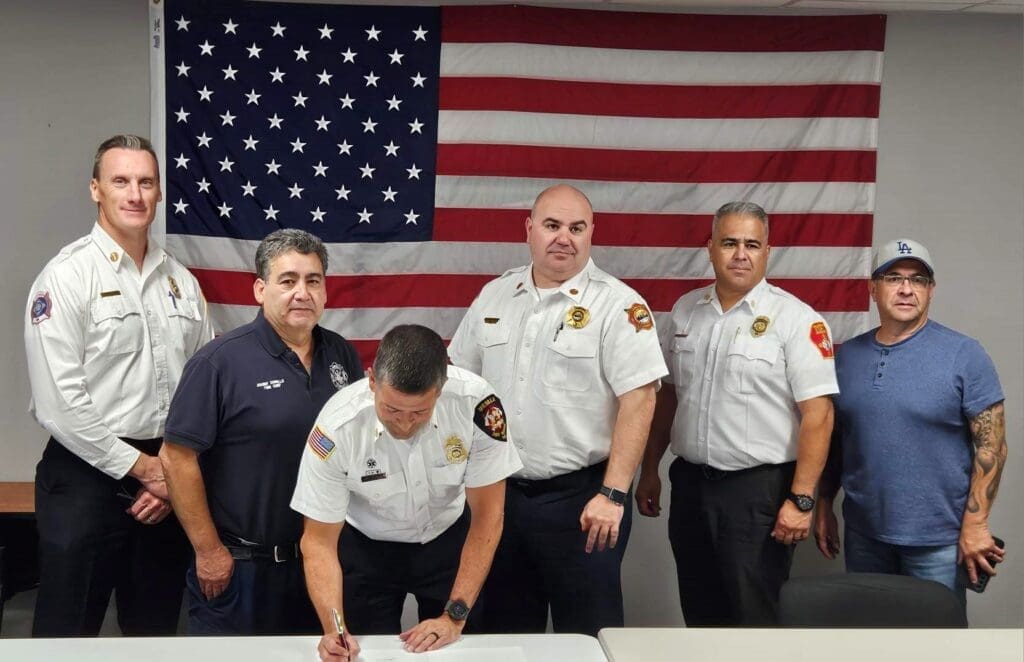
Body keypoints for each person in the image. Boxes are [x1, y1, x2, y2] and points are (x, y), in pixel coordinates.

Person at [448, 184, 667, 636]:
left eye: (576, 227)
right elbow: (458, 387)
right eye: (551, 226)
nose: (563, 237)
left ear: (591, 234)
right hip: (498, 499)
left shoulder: (619, 305)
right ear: (529, 230)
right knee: (502, 637)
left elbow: (640, 401)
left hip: (584, 502)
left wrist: (612, 495)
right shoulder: (494, 296)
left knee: (588, 635)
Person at [25, 134, 214, 636]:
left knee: (153, 629)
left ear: (158, 193)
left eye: (146, 182)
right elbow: (59, 403)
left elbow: (205, 390)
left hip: (168, 471)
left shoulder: (182, 282)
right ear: (96, 189)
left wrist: (172, 476)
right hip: (86, 473)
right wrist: (148, 469)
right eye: (121, 181)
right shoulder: (66, 277)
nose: (135, 194)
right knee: (67, 633)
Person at [636, 201, 838, 626]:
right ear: (710, 248)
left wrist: (801, 499)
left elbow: (818, 415)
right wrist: (650, 468)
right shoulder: (685, 311)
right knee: (700, 609)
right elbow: (669, 398)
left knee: (754, 619)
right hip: (691, 486)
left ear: (768, 251)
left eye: (752, 244)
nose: (740, 254)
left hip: (759, 494)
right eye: (729, 243)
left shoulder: (796, 320)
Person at [159, 228, 363, 635]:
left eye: (313, 280)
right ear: (259, 289)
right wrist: (208, 551)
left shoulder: (341, 354)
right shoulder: (219, 363)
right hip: (241, 568)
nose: (301, 292)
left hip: (322, 564)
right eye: (288, 281)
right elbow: (176, 458)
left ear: (325, 291)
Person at [292, 324, 521, 660]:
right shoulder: (337, 427)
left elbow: (488, 518)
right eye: (392, 410)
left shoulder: (476, 404)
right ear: (372, 381)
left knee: (457, 650)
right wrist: (334, 628)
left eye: (419, 412)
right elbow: (318, 542)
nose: (404, 423)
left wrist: (455, 614)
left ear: (441, 390)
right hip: (367, 550)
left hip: (449, 543)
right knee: (361, 653)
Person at [815, 238, 1007, 614]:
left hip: (938, 541)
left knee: (937, 647)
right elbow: (837, 440)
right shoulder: (847, 357)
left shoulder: (964, 354)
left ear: (930, 291)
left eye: (918, 280)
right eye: (893, 278)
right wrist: (824, 503)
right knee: (871, 641)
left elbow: (992, 446)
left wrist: (976, 523)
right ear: (873, 288)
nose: (906, 289)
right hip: (864, 536)